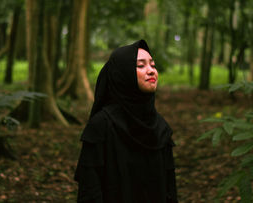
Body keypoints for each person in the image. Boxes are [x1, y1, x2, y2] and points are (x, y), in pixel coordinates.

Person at [74, 40, 178, 203]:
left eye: (153, 65)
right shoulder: (102, 125)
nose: (151, 71)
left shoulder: (160, 128)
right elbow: (90, 192)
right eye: (141, 65)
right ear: (123, 73)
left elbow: (170, 193)